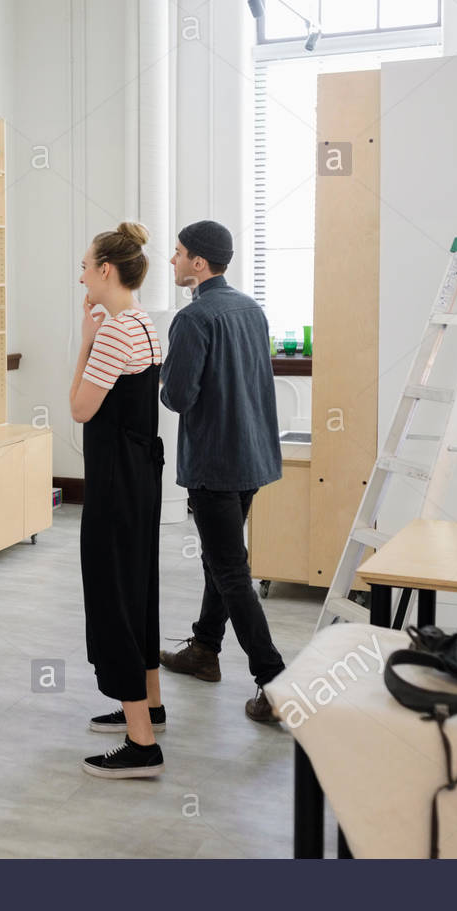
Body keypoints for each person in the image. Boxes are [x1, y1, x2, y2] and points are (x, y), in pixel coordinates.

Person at [159, 219, 285, 723]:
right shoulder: (251, 309)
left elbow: (177, 397)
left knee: (231, 570)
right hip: (251, 456)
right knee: (222, 558)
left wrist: (164, 372)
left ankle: (273, 682)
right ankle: (205, 649)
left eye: (178, 253)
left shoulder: (194, 319)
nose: (172, 261)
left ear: (198, 262)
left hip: (214, 462)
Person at [70, 221, 166, 778]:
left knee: (113, 596)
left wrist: (84, 338)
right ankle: (149, 701)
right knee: (140, 586)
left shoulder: (111, 333)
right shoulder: (144, 324)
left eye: (85, 265)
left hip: (114, 480)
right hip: (141, 474)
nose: (81, 275)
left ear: (106, 270)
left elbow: (80, 409)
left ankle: (141, 741)